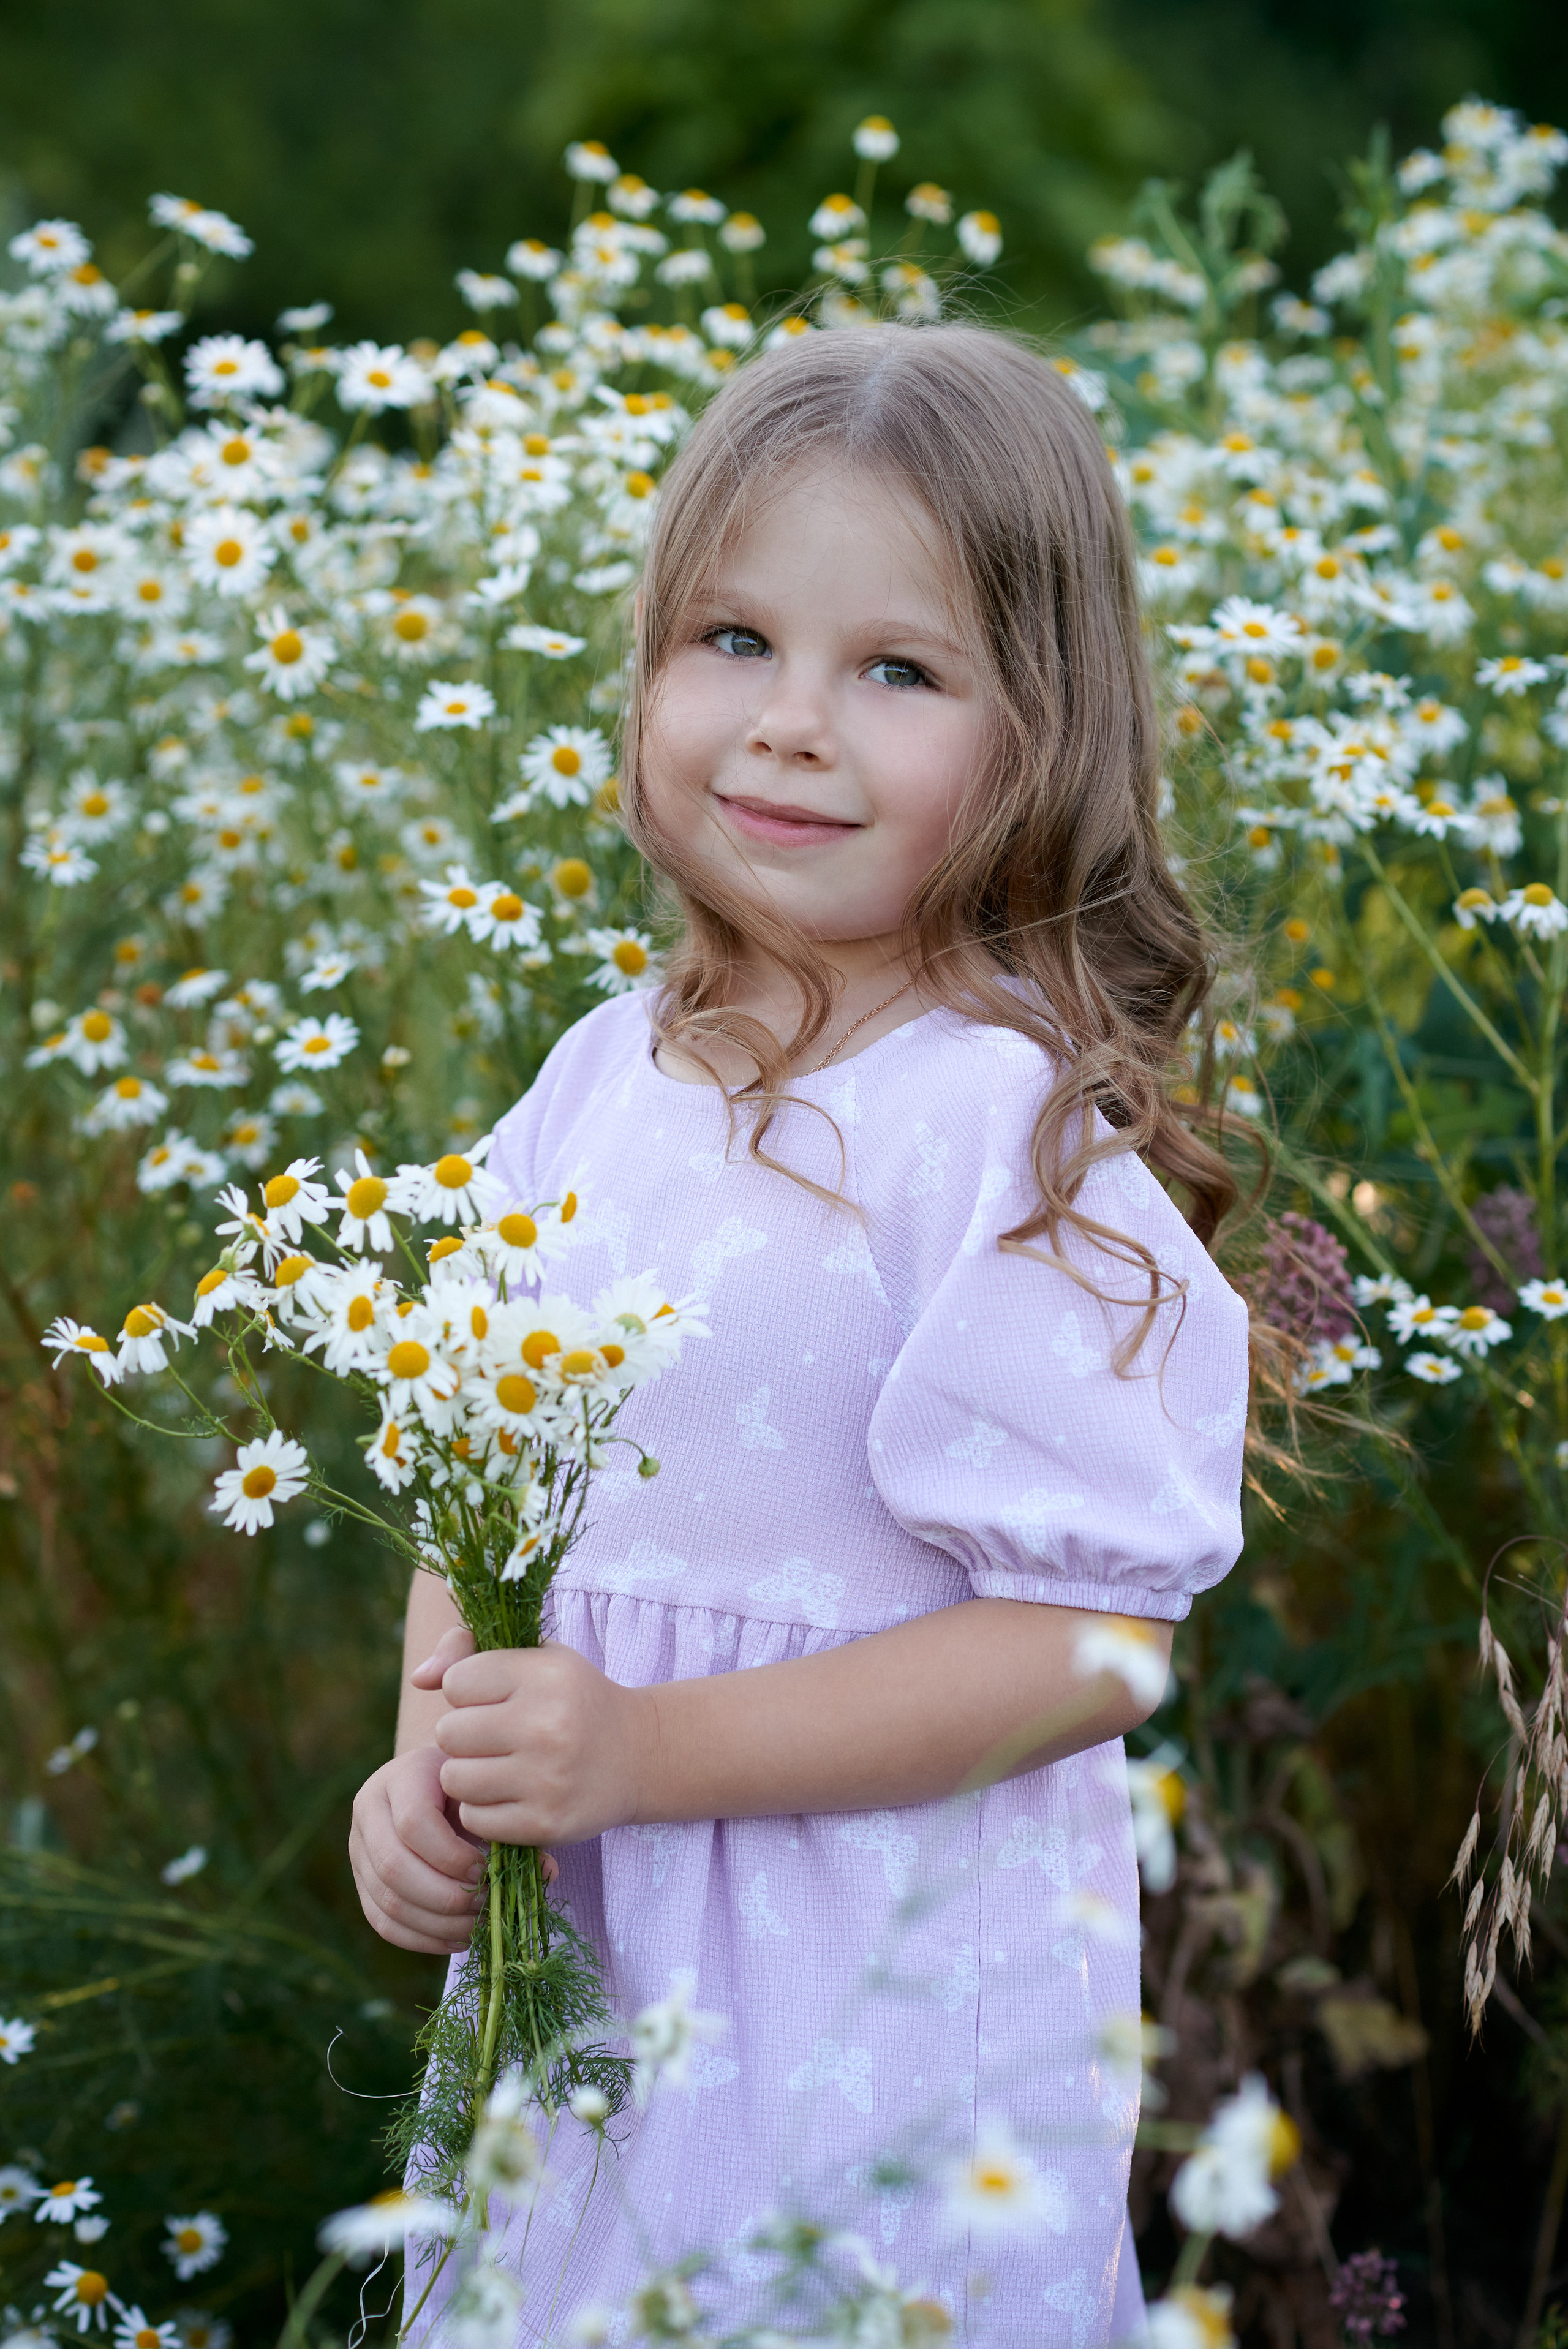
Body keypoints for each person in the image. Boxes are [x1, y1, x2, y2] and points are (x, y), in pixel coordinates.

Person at [349, 322, 1250, 2344]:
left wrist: (650, 1748)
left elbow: (1091, 1643)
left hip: (875, 2010)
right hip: (592, 1975)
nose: (788, 726)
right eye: (734, 639)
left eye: (897, 671)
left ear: (1045, 734)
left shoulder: (1003, 1133)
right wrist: (428, 1769)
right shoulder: (598, 1080)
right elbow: (478, 1485)